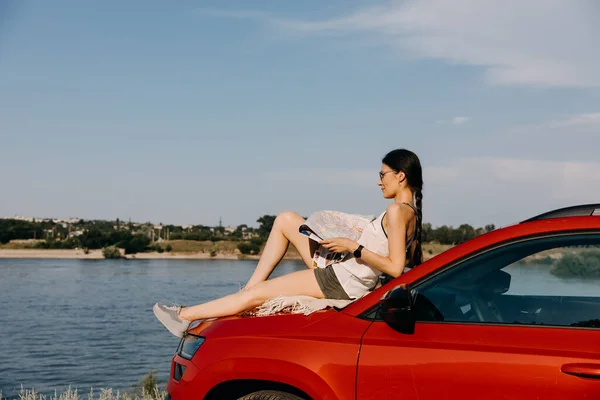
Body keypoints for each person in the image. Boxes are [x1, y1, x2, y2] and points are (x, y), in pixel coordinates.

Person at [153, 149, 424, 337]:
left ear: (400, 175)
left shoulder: (396, 211)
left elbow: (396, 267)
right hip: (345, 270)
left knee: (256, 297)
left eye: (383, 174)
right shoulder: (411, 213)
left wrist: (353, 247)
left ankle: (184, 316)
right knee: (285, 219)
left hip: (343, 280)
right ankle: (250, 288)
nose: (378, 182)